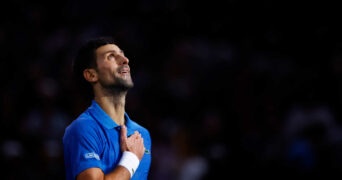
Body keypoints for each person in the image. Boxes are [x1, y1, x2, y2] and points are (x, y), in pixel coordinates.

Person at [63, 36, 152, 180]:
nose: (125, 60)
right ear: (92, 75)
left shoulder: (142, 135)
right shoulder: (83, 128)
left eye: (123, 55)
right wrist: (131, 159)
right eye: (111, 56)